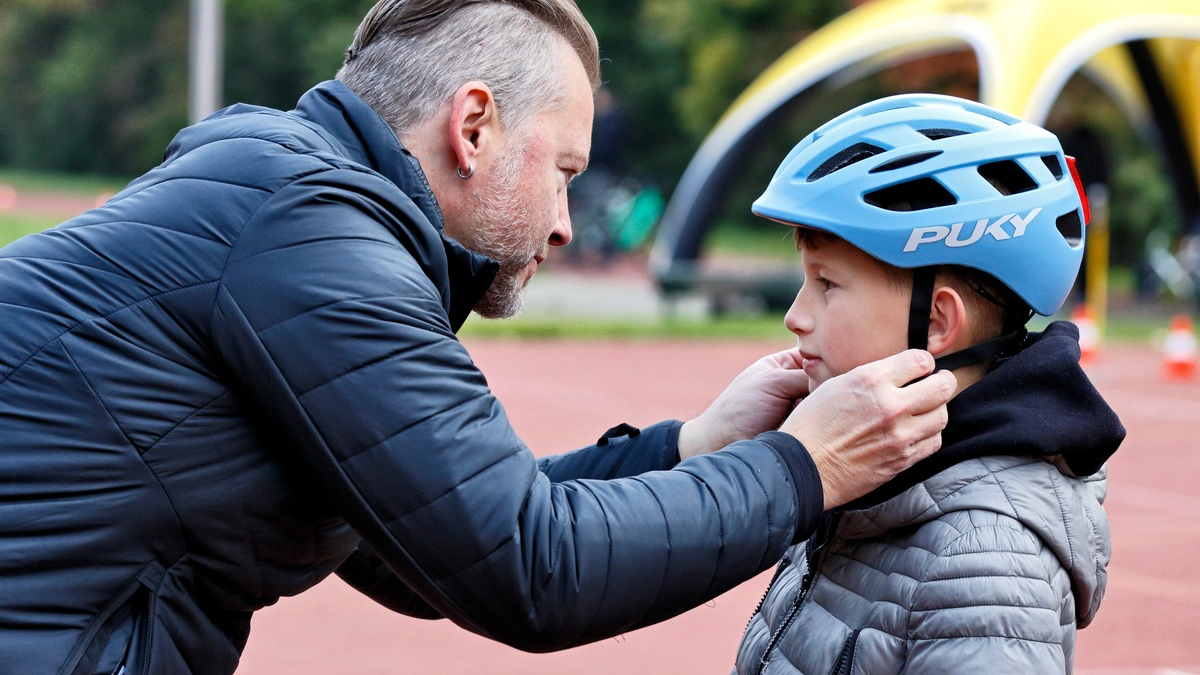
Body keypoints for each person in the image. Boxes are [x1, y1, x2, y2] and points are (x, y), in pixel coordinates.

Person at [0, 3, 957, 674]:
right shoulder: (310, 233)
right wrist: (806, 467)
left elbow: (437, 545)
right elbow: (528, 569)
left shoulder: (282, 203)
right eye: (564, 170)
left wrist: (695, 447)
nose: (567, 223)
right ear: (474, 125)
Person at [733, 94, 1127, 675]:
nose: (796, 315)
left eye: (827, 285)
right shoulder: (868, 468)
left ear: (938, 322)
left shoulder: (987, 560)